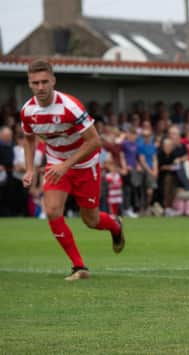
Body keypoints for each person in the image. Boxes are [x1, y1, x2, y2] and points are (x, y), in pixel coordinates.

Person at [20, 59, 124, 281]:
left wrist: (66, 165)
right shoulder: (27, 111)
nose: (40, 87)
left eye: (44, 82)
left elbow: (95, 141)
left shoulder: (70, 106)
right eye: (35, 83)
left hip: (85, 166)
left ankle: (115, 225)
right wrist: (29, 169)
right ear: (29, 83)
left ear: (53, 81)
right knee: (52, 210)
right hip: (56, 164)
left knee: (91, 221)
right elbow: (28, 139)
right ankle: (79, 267)